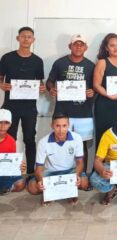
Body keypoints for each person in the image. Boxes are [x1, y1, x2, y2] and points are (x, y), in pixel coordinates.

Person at [46, 34, 95, 180]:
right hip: (63, 113)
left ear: (86, 47)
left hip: (84, 113)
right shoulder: (59, 63)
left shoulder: (91, 65)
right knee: (60, 143)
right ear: (70, 46)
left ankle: (83, 175)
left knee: (83, 146)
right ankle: (61, 175)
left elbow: (96, 87)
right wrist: (51, 89)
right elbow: (49, 81)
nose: (78, 47)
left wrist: (92, 91)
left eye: (81, 44)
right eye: (75, 44)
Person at [0, 26, 45, 175]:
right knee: (7, 138)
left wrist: (42, 88)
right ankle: (8, 171)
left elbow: (40, 82)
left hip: (29, 107)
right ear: (18, 38)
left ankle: (31, 173)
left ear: (33, 40)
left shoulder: (38, 61)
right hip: (9, 107)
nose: (26, 39)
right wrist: (1, 85)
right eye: (23, 36)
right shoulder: (7, 58)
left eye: (29, 36)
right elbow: (0, 79)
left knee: (29, 139)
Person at [27, 112, 88, 206]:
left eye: (64, 126)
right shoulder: (43, 142)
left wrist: (77, 175)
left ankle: (69, 192)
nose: (61, 130)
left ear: (68, 125)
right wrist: (40, 181)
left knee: (84, 183)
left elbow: (80, 162)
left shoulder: (77, 138)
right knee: (33, 189)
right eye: (57, 126)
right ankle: (50, 193)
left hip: (71, 171)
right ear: (52, 126)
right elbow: (39, 167)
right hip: (51, 172)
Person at [0, 109, 26, 194]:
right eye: (0, 122)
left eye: (6, 123)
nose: (2, 126)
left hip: (3, 172)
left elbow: (10, 163)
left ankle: (5, 189)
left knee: (21, 184)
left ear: (10, 124)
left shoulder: (11, 141)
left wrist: (18, 167)